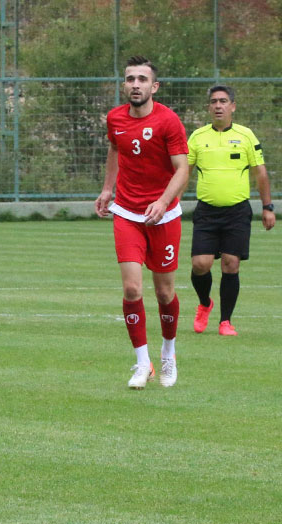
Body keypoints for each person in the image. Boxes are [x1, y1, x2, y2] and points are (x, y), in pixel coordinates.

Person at [94, 55, 189, 390]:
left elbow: (182, 169)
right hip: (128, 213)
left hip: (164, 216)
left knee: (164, 292)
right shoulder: (115, 118)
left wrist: (163, 202)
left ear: (154, 86)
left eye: (142, 79)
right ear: (124, 84)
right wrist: (108, 189)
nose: (136, 84)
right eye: (130, 79)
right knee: (133, 288)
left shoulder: (169, 122)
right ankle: (141, 362)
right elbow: (116, 151)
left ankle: (168, 353)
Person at [187, 85, 274, 336]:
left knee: (231, 264)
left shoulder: (246, 136)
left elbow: (260, 173)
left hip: (237, 212)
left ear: (233, 106)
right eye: (213, 101)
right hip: (206, 211)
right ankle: (205, 304)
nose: (218, 106)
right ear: (208, 107)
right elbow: (184, 173)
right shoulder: (197, 137)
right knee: (200, 264)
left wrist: (267, 207)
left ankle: (225, 321)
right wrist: (168, 203)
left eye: (223, 101)